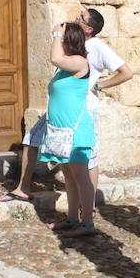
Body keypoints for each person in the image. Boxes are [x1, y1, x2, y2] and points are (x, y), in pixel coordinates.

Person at [0, 9, 132, 202]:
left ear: (89, 28)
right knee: (32, 139)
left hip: (83, 109)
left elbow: (126, 72)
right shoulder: (73, 42)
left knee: (88, 159)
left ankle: (88, 206)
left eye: (81, 17)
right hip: (61, 109)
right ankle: (23, 188)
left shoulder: (97, 47)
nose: (75, 18)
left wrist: (99, 86)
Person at [38, 22, 97, 237]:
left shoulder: (79, 62)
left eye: (62, 39)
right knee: (69, 177)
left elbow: (54, 57)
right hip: (61, 131)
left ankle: (87, 222)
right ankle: (73, 218)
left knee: (81, 177)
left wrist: (56, 33)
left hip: (76, 131)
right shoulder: (65, 68)